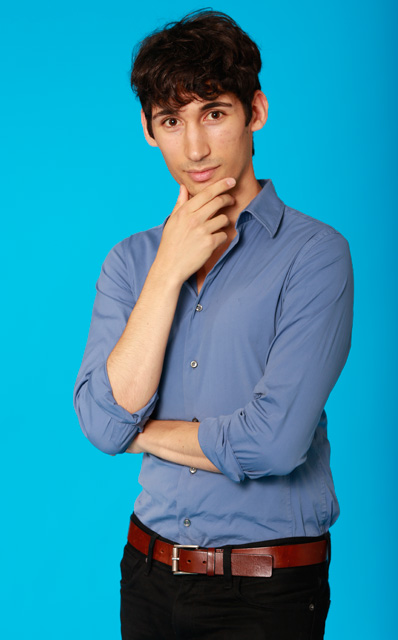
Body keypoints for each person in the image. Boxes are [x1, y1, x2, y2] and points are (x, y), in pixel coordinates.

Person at [73, 10, 353, 639]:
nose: (195, 148)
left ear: (256, 111)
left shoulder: (315, 255)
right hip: (146, 573)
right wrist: (167, 271)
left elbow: (274, 443)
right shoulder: (132, 262)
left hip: (264, 588)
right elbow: (101, 424)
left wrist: (138, 434)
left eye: (214, 113)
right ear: (149, 130)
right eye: (172, 121)